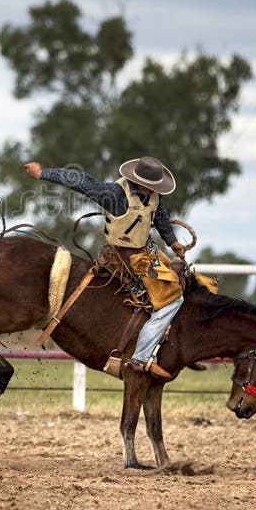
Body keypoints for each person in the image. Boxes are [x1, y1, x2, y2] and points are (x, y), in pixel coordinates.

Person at [24, 157, 186, 380]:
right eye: (152, 186)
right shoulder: (116, 195)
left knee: (183, 276)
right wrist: (43, 173)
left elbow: (160, 218)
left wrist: (172, 241)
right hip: (125, 256)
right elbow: (81, 181)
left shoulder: (153, 196)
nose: (155, 191)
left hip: (146, 251)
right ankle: (141, 356)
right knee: (172, 299)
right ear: (139, 182)